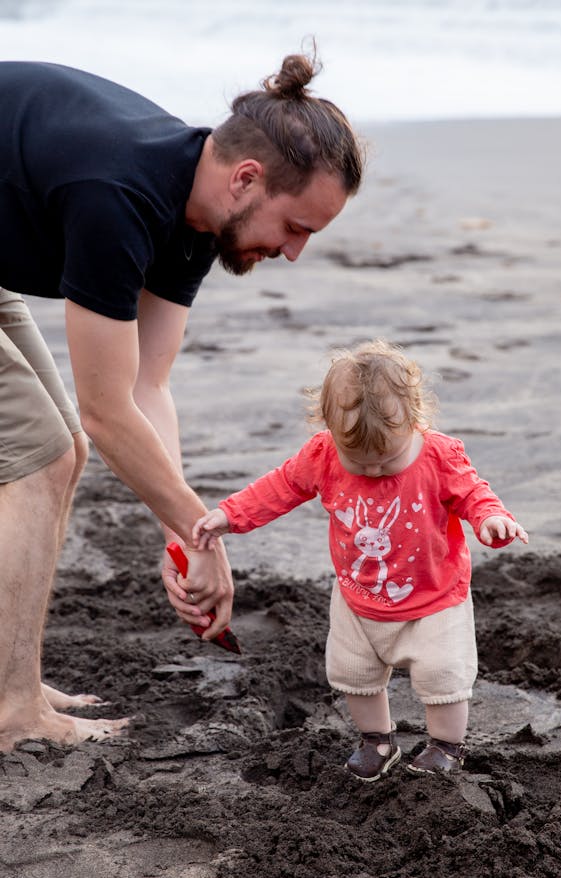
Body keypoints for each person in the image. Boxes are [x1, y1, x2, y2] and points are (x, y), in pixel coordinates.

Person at [0, 51, 363, 753]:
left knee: (59, 451)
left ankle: (11, 678)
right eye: (295, 228)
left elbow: (146, 388)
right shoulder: (119, 193)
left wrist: (185, 538)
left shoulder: (199, 221)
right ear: (246, 179)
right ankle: (13, 708)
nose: (293, 253)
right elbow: (105, 411)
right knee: (39, 458)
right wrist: (206, 533)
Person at [192, 339, 528, 782]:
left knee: (443, 674)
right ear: (328, 428)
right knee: (353, 672)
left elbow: (474, 494)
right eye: (359, 462)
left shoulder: (438, 455)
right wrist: (230, 515)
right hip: (357, 596)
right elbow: (281, 487)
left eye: (386, 460)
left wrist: (492, 520)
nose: (372, 471)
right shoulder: (323, 455)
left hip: (435, 597)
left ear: (415, 420)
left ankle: (445, 746)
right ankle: (377, 741)